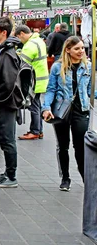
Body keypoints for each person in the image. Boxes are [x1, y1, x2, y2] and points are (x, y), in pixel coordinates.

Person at [42, 37, 94, 191]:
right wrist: (46, 108)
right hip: (62, 111)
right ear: (68, 50)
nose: (81, 51)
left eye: (82, 48)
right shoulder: (58, 67)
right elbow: (51, 89)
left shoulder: (88, 66)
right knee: (63, 146)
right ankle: (65, 177)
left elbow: (91, 90)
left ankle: (86, 179)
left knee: (81, 147)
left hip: (81, 110)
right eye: (77, 49)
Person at [0, 17, 21, 188]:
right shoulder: (2, 51)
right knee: (4, 138)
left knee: (7, 140)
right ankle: (7, 172)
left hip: (6, 105)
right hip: (3, 104)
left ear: (3, 32)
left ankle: (11, 176)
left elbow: (8, 82)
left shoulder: (7, 53)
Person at [14, 25, 49, 140]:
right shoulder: (39, 41)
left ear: (22, 34)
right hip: (41, 78)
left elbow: (22, 64)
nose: (20, 40)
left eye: (19, 37)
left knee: (33, 105)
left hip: (34, 79)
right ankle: (39, 130)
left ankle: (34, 131)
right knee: (37, 105)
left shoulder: (29, 46)